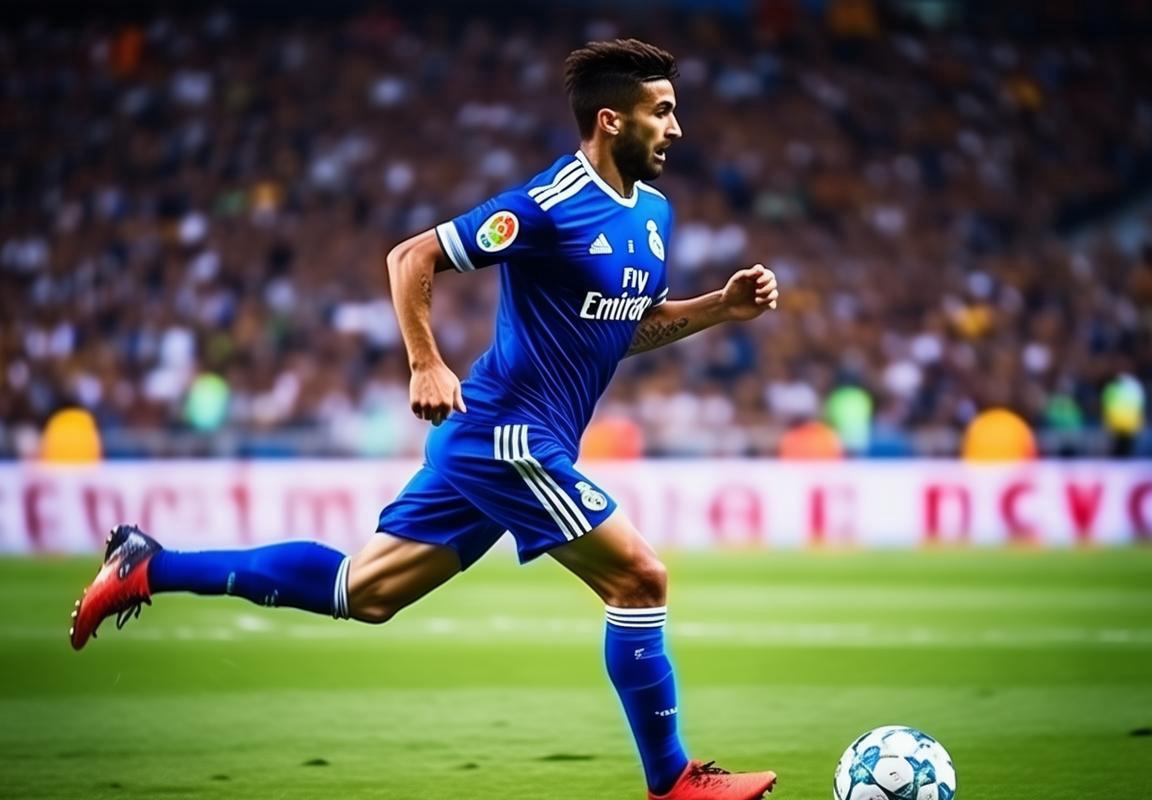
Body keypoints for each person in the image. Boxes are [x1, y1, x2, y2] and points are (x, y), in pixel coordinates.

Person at [69, 39, 780, 800]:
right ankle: (673, 780)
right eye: (661, 112)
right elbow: (410, 257)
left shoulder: (655, 216)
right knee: (639, 579)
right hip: (508, 433)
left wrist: (719, 308)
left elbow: (623, 326)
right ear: (611, 120)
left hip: (504, 439)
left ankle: (148, 566)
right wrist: (425, 362)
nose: (676, 128)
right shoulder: (550, 203)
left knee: (363, 592)